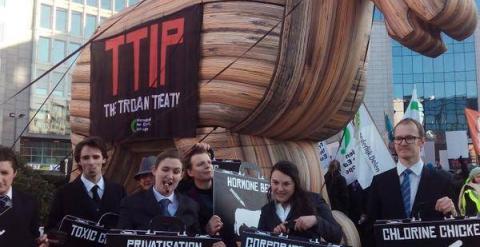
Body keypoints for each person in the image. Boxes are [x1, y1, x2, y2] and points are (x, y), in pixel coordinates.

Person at [367, 118, 457, 244]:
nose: (403, 143)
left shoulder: (444, 180)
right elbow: (370, 229)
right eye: (398, 138)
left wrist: (452, 212)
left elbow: (456, 228)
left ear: (422, 142)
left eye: (409, 137)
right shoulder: (379, 182)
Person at [46, 137, 126, 231]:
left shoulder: (119, 191)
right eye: (86, 158)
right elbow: (51, 230)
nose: (91, 162)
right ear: (79, 161)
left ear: (104, 159)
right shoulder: (63, 193)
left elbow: (125, 227)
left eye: (96, 157)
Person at [117, 149, 202, 233]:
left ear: (181, 175)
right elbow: (121, 240)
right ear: (154, 170)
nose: (170, 176)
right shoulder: (130, 204)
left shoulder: (192, 206)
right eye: (165, 170)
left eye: (176, 172)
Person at [258, 161, 342, 244]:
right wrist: (272, 236)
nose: (280, 189)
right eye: (275, 182)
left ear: (295, 184)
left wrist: (316, 220)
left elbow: (337, 236)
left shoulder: (314, 201)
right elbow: (258, 240)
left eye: (286, 184)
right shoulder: (266, 211)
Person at [0, 145, 48, 247]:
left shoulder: (29, 203)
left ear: (14, 173)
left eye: (4, 173)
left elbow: (34, 237)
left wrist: (42, 243)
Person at [178, 143, 224, 236]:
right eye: (200, 164)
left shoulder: (225, 189)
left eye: (209, 162)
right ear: (190, 172)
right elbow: (188, 233)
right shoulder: (185, 200)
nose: (207, 166)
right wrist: (207, 230)